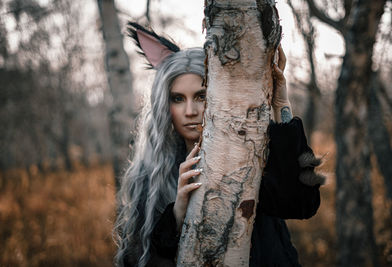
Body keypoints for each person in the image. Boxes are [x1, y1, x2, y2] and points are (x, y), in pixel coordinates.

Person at [114, 22, 325, 267]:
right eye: (178, 99)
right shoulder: (151, 176)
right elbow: (142, 259)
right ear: (164, 105)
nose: (190, 111)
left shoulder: (251, 153)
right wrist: (177, 215)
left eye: (201, 96)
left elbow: (303, 205)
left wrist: (282, 106)